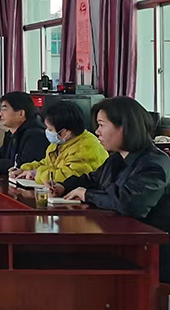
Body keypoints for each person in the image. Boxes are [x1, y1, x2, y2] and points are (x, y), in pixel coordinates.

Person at [50, 97, 170, 281]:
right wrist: (63, 186)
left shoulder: (155, 164)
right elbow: (92, 179)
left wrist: (87, 195)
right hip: (119, 242)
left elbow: (130, 204)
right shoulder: (116, 158)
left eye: (101, 125)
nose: (97, 131)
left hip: (149, 253)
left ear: (124, 127)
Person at [10, 101, 107, 185]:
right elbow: (46, 163)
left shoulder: (85, 148)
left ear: (65, 132)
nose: (47, 132)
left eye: (50, 129)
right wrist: (25, 169)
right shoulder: (60, 142)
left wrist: (36, 174)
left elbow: (67, 177)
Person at [0, 91, 48, 172]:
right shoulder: (11, 132)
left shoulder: (36, 135)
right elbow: (1, 154)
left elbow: (22, 164)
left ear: (21, 113)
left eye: (4, 109)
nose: (0, 114)